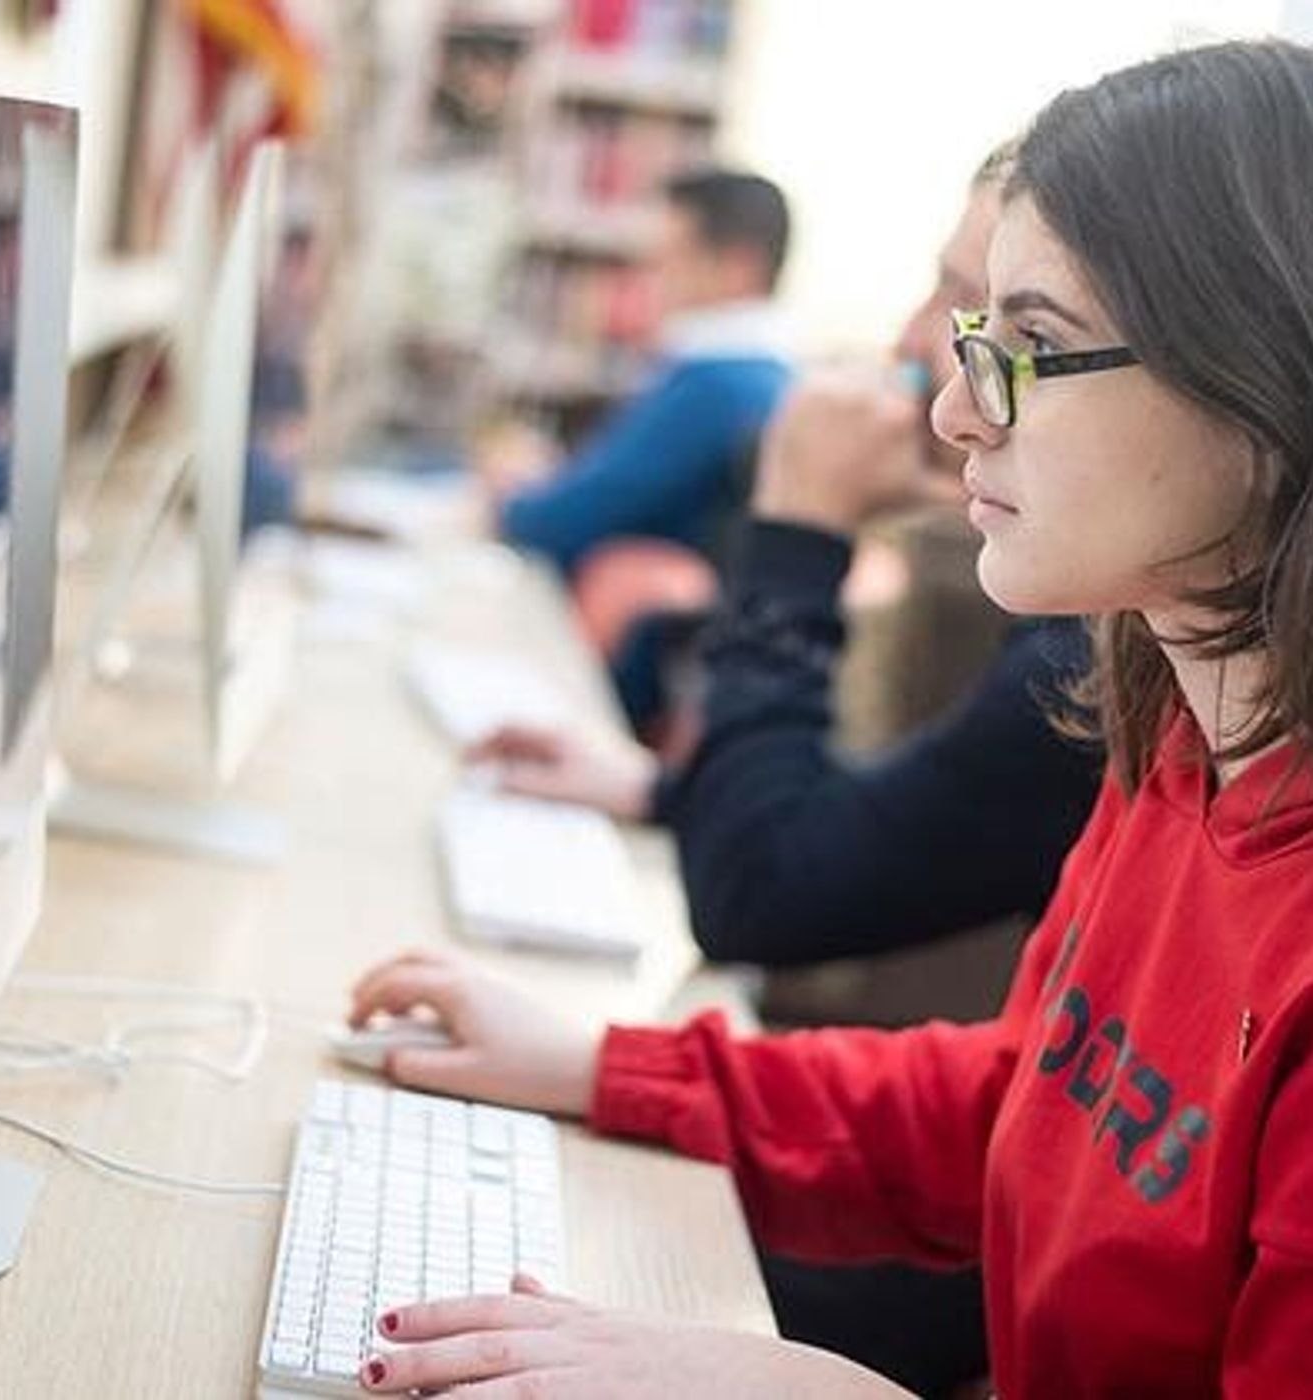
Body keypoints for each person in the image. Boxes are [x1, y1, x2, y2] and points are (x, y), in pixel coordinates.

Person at [349, 39, 1313, 1397]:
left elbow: (782, 886)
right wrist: (605, 1067)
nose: (950, 408)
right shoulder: (1174, 737)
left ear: (1266, 380)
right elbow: (1018, 1103)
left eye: (1026, 346)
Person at [474, 150, 1101, 1398]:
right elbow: (1029, 1093)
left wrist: (800, 521)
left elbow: (765, 884)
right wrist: (660, 797)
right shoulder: (1154, 709)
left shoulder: (1095, 664)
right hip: (968, 1219)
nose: (926, 365)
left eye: (999, 325)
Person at [489, 166, 795, 576]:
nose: (648, 283)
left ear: (738, 267)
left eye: (667, 261)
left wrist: (511, 490)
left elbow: (554, 523)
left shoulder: (718, 385)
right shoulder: (760, 376)